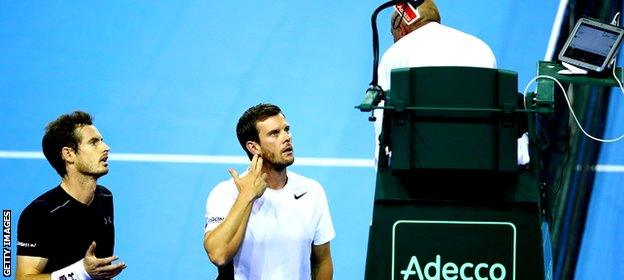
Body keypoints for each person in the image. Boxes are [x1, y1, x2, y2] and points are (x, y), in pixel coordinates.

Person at [203, 103, 335, 280]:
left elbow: (322, 261)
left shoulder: (311, 191)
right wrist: (246, 196)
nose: (287, 137)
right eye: (275, 133)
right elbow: (218, 255)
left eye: (286, 130)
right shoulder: (226, 194)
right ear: (254, 147)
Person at [16, 111, 126, 280]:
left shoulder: (104, 197)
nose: (106, 147)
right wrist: (81, 272)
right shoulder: (40, 213)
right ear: (69, 154)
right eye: (93, 142)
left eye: (101, 141)